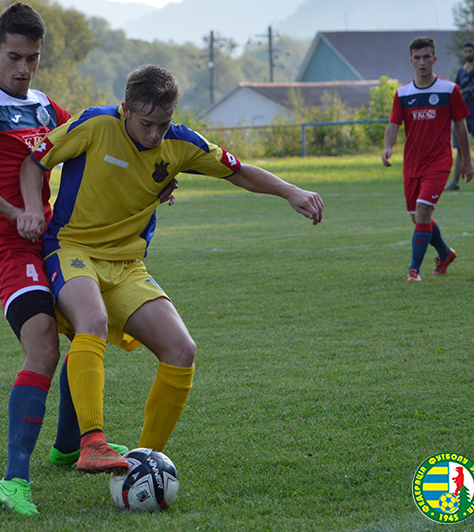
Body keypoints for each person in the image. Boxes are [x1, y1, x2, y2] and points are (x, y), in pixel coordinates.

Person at [18, 64, 324, 475]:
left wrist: (290, 191)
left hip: (127, 264)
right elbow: (33, 161)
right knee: (92, 321)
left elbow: (239, 172)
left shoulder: (181, 144)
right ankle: (92, 442)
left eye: (164, 124)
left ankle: (147, 459)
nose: (155, 135)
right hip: (71, 249)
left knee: (182, 350)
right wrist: (34, 209)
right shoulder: (95, 124)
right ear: (125, 110)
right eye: (146, 123)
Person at [0, 2, 135, 516]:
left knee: (88, 330)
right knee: (44, 346)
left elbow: (96, 139)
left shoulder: (47, 107)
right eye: (14, 57)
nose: (22, 70)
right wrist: (11, 210)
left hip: (49, 242)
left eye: (33, 59)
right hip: (3, 247)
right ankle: (13, 481)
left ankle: (70, 445)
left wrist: (155, 171)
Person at [382, 36, 474, 282]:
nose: (422, 62)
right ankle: (445, 253)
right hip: (412, 164)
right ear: (411, 61)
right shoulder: (403, 93)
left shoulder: (449, 90)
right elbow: (393, 124)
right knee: (417, 217)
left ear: (434, 59)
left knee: (422, 212)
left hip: (439, 161)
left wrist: (466, 160)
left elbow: (461, 127)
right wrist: (387, 147)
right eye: (418, 58)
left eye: (426, 57)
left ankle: (414, 270)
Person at [445, 41, 474, 191]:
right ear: (462, 53)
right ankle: (455, 182)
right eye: (465, 51)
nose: (468, 54)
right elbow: (456, 91)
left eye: (470, 51)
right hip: (462, 117)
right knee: (459, 150)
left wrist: (473, 95)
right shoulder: (461, 71)